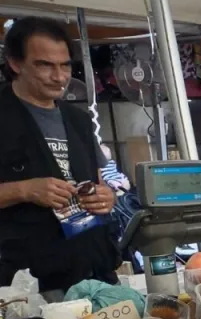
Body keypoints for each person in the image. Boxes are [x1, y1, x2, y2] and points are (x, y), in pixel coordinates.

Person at [0, 17, 119, 295]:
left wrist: (106, 197)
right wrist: (24, 190)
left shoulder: (79, 120)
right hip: (25, 283)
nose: (60, 76)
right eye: (45, 65)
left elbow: (101, 182)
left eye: (65, 65)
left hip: (91, 273)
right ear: (16, 64)